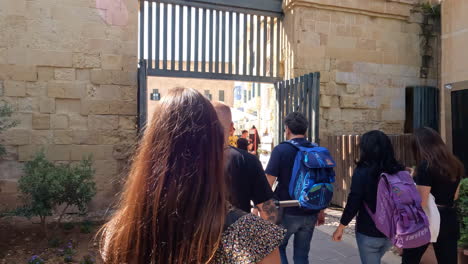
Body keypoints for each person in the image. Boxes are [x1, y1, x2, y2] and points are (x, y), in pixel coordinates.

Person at [100, 88, 285, 263]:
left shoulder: (119, 232)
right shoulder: (254, 238)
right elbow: (268, 206)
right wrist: (265, 231)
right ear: (217, 146)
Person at [332, 130, 406, 264]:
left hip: (368, 231)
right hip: (391, 231)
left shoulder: (362, 172)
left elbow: (354, 201)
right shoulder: (398, 170)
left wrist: (341, 227)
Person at [265, 112, 326, 264]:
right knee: (302, 256)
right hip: (310, 210)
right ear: (305, 131)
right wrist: (321, 210)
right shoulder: (317, 151)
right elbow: (323, 182)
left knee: (279, 249)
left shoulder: (281, 150)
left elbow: (268, 183)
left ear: (287, 129)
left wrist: (264, 210)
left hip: (286, 210)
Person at [402, 127, 464, 264]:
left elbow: (421, 202)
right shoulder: (455, 164)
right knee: (448, 260)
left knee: (410, 259)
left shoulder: (425, 166)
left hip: (427, 218)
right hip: (448, 217)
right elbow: (455, 196)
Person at [212, 102, 278, 223]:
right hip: (236, 237)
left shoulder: (186, 159)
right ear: (232, 128)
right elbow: (268, 212)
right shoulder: (247, 160)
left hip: (196, 238)